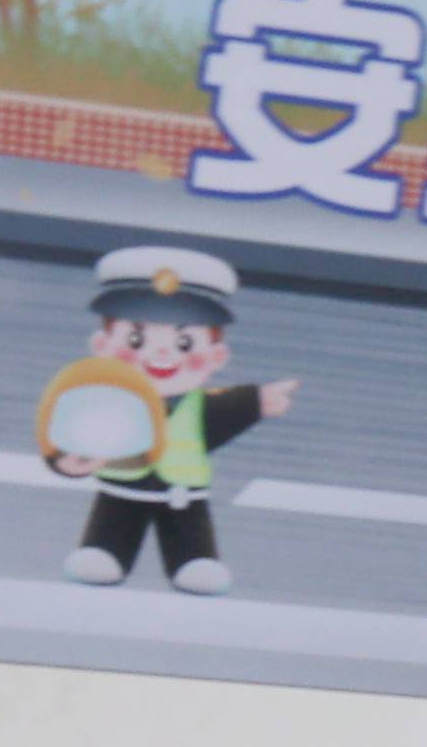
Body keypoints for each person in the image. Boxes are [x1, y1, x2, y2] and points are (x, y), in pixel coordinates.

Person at [39, 243, 306, 593]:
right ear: (102, 345)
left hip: (183, 493)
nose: (162, 352)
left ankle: (192, 560)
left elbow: (224, 411)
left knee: (190, 539)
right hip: (121, 485)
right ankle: (105, 550)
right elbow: (71, 433)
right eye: (136, 339)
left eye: (184, 343)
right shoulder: (104, 398)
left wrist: (256, 401)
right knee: (112, 526)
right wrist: (67, 459)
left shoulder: (201, 405)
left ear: (217, 356)